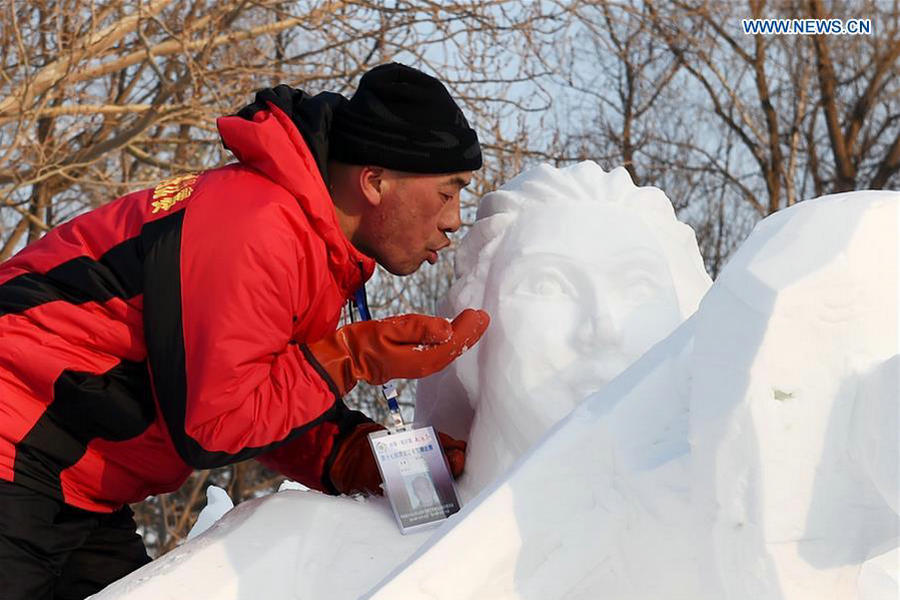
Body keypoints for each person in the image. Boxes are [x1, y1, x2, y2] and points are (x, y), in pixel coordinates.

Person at [0, 62, 490, 599]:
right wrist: (351, 358)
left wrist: (352, 453)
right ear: (374, 181)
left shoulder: (312, 249)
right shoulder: (254, 223)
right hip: (16, 444)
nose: (454, 219)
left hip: (75, 483)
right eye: (448, 192)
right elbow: (216, 423)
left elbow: (262, 393)